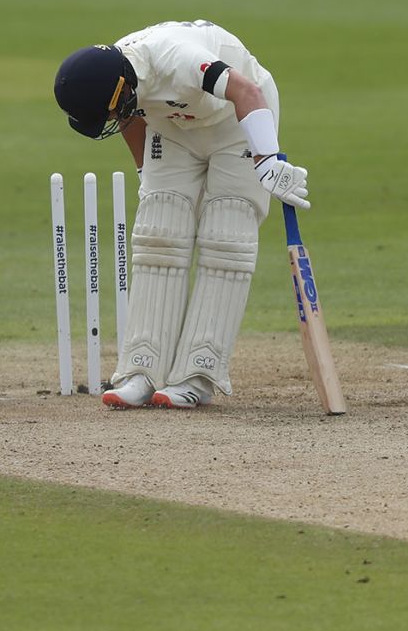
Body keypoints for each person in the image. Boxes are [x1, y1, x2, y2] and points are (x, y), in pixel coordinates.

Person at [53, 20, 311, 410]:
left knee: (228, 233)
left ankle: (199, 373)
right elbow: (129, 117)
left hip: (236, 122)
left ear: (122, 87)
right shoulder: (119, 80)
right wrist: (146, 175)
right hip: (172, 129)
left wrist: (266, 161)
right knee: (159, 227)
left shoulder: (178, 60)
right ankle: (140, 370)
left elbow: (247, 90)